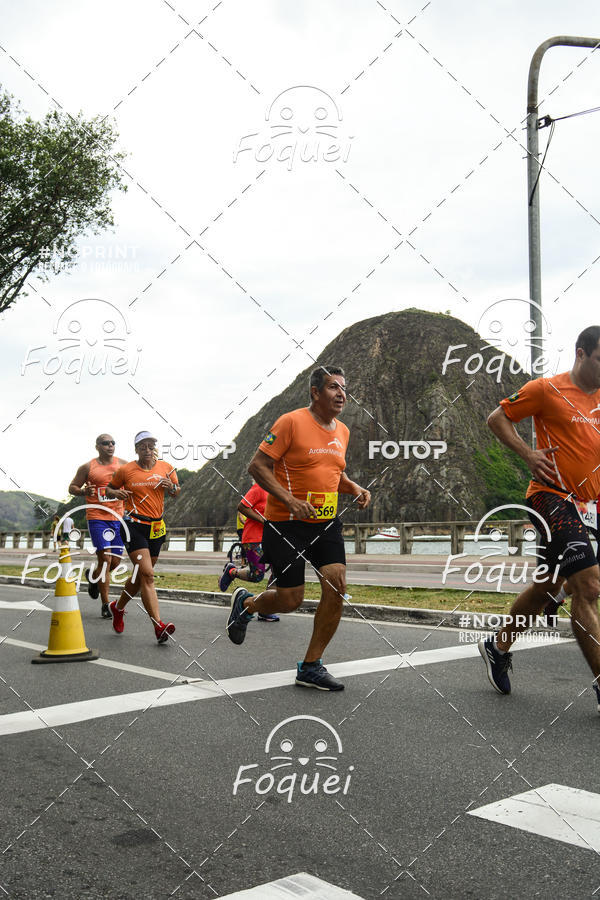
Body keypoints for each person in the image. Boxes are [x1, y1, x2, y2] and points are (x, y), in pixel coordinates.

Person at [226, 365, 371, 691]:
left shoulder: (343, 432)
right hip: (285, 525)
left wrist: (355, 488)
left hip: (325, 522)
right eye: (334, 387)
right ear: (315, 392)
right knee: (291, 599)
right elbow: (258, 466)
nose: (341, 394)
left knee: (337, 585)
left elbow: (334, 474)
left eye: (344, 388)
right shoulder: (291, 422)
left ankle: (311, 666)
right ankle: (247, 605)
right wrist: (290, 500)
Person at [479, 326, 600, 712]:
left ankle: (497, 646)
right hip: (550, 497)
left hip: (589, 504)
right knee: (588, 585)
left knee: (548, 586)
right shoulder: (546, 389)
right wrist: (528, 455)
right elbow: (497, 418)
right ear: (581, 354)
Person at [105, 431, 180, 644]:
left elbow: (176, 491)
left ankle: (117, 608)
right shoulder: (126, 470)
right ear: (136, 449)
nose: (148, 450)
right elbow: (110, 489)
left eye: (151, 445)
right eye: (143, 446)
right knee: (147, 575)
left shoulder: (166, 467)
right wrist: (116, 494)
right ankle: (159, 626)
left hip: (156, 527)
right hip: (133, 525)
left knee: (140, 577)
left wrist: (171, 487)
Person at [68, 434, 127, 618]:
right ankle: (105, 604)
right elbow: (72, 487)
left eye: (113, 443)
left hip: (118, 518)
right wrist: (83, 491)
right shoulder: (87, 467)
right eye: (105, 443)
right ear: (97, 447)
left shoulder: (124, 465)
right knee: (106, 560)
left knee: (115, 562)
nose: (110, 445)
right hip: (97, 518)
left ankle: (93, 578)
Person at [219, 482, 279, 622]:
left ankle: (266, 609)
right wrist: (264, 521)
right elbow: (242, 506)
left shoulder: (279, 489)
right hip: (254, 538)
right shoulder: (259, 487)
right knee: (257, 575)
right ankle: (231, 571)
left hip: (271, 538)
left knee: (279, 571)